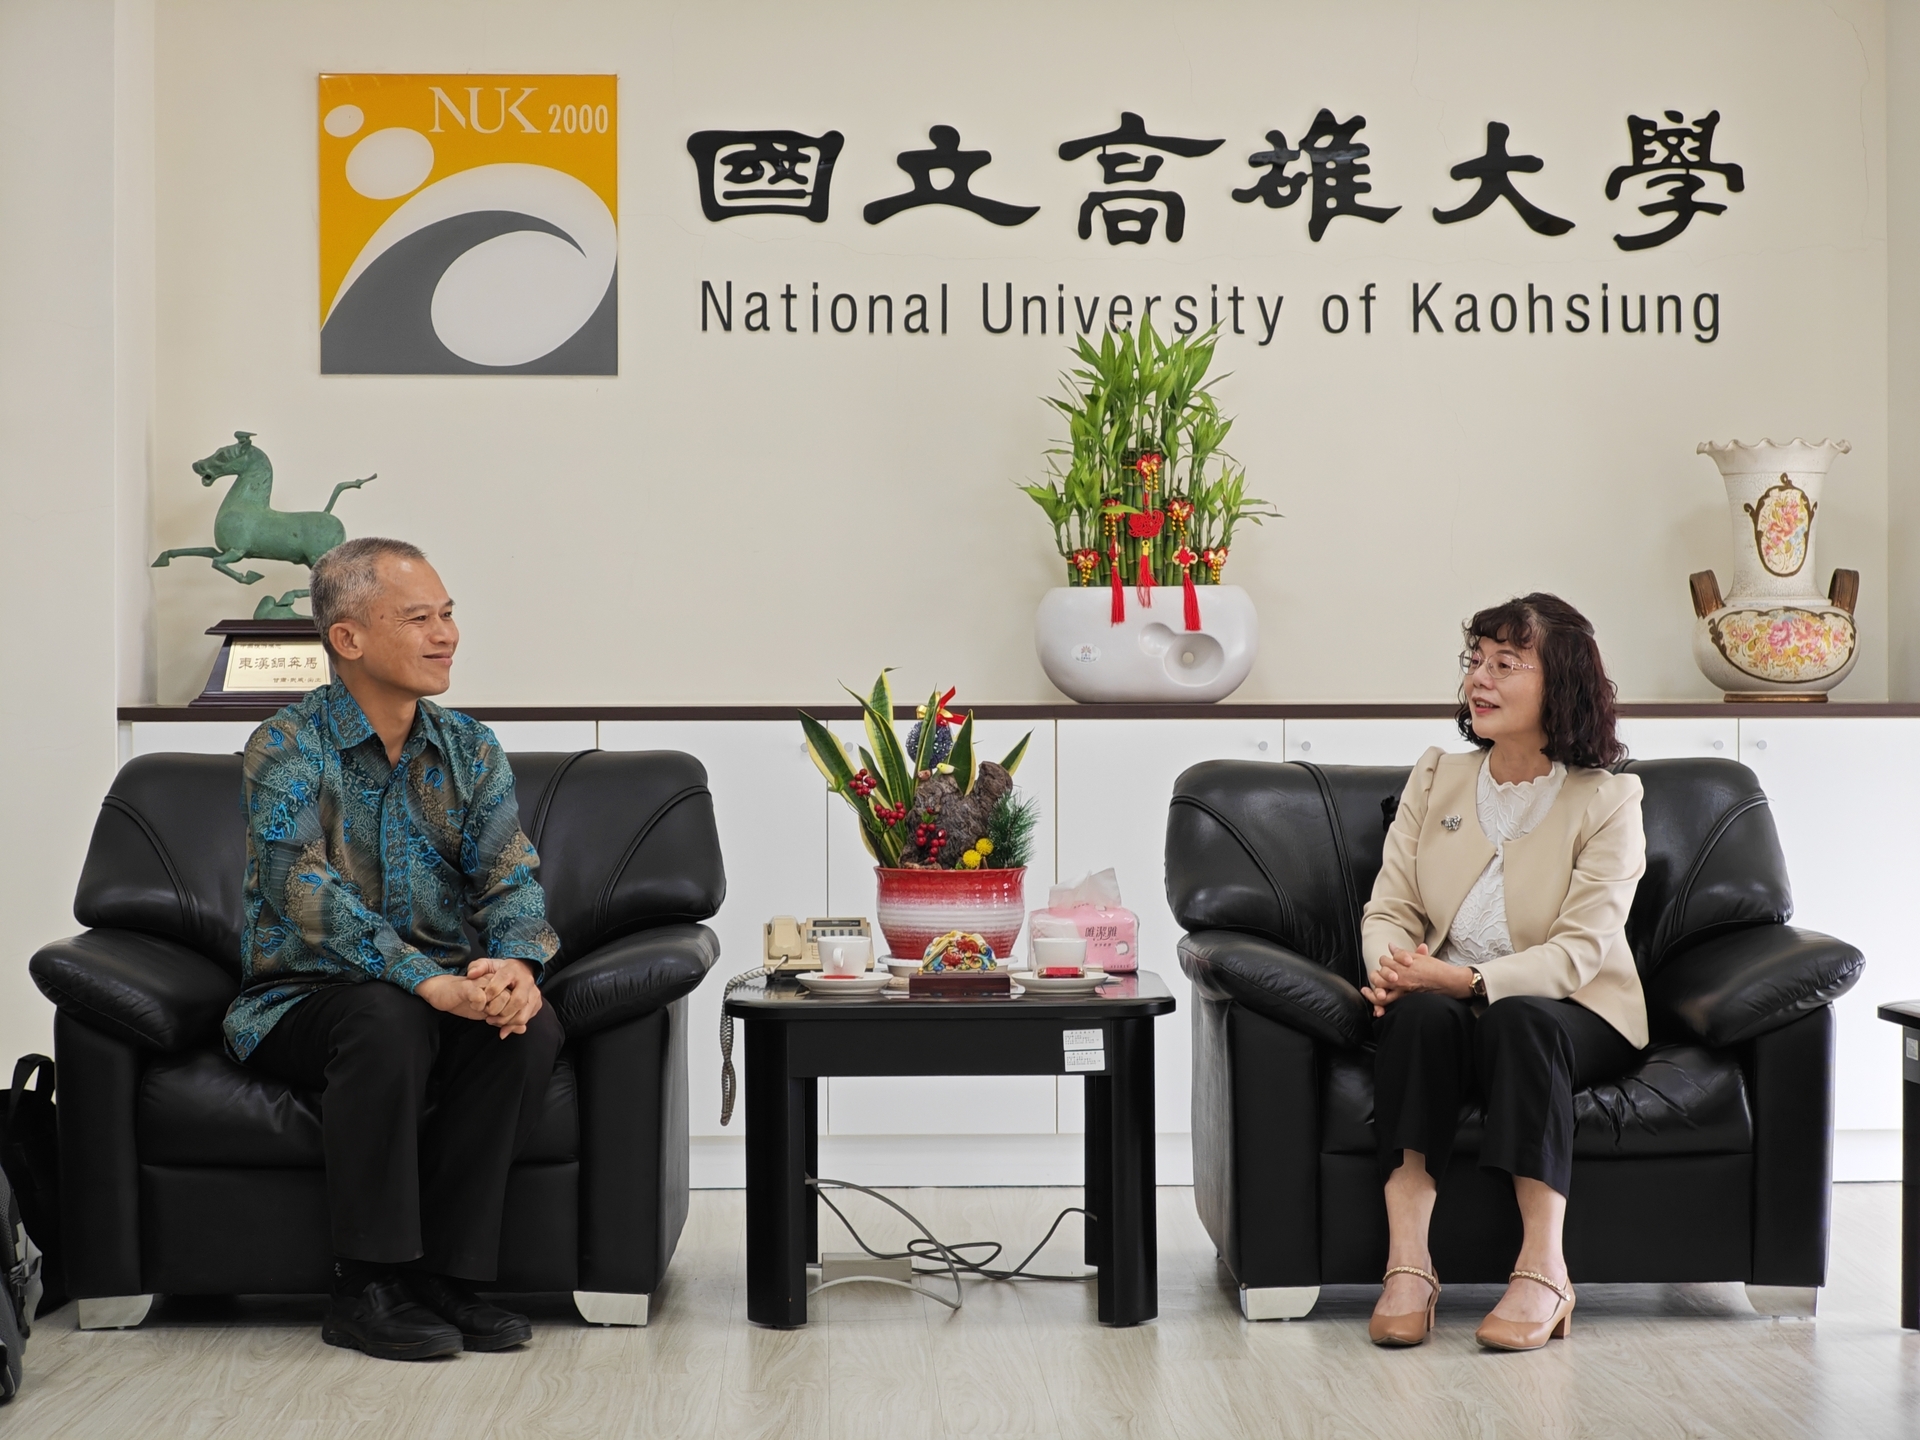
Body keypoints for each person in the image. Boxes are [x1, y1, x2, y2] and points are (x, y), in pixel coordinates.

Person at [225, 537, 563, 1362]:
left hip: (436, 994)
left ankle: (449, 1278)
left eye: (448, 614)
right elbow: (302, 892)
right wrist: (424, 980)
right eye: (418, 618)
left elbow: (509, 873)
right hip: (304, 999)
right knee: (387, 1019)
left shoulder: (470, 748)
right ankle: (366, 1284)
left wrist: (515, 967)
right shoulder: (284, 745)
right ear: (348, 638)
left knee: (530, 1029)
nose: (445, 634)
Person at [1359, 593, 1646, 1352]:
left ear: (1563, 684)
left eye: (1505, 664)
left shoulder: (1608, 799)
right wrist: (1392, 970)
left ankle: (1544, 1270)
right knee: (1417, 1017)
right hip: (1441, 1002)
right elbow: (1389, 905)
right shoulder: (1436, 777)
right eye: (1474, 661)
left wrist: (1468, 982)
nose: (1478, 680)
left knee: (1519, 1019)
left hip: (1574, 1009)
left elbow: (1580, 952)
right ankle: (1409, 1265)